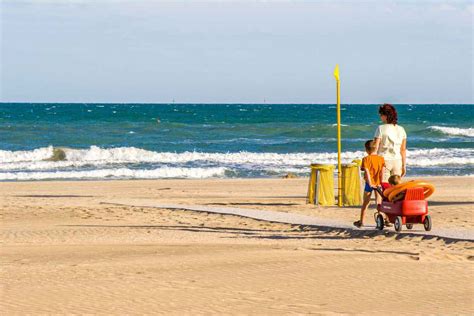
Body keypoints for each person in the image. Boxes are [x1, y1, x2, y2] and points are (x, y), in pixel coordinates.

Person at [354, 140, 385, 228]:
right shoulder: (381, 159)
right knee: (378, 202)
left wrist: (370, 183)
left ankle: (361, 221)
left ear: (366, 150)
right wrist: (381, 182)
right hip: (378, 183)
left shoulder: (366, 159)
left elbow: (367, 171)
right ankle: (381, 219)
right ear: (376, 148)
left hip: (369, 184)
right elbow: (382, 171)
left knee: (366, 203)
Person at [373, 104, 407, 182]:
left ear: (385, 116)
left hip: (384, 161)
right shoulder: (401, 129)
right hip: (397, 161)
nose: (380, 117)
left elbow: (375, 147)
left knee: (385, 187)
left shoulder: (380, 128)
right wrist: (404, 165)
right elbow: (403, 149)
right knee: (396, 188)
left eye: (381, 114)